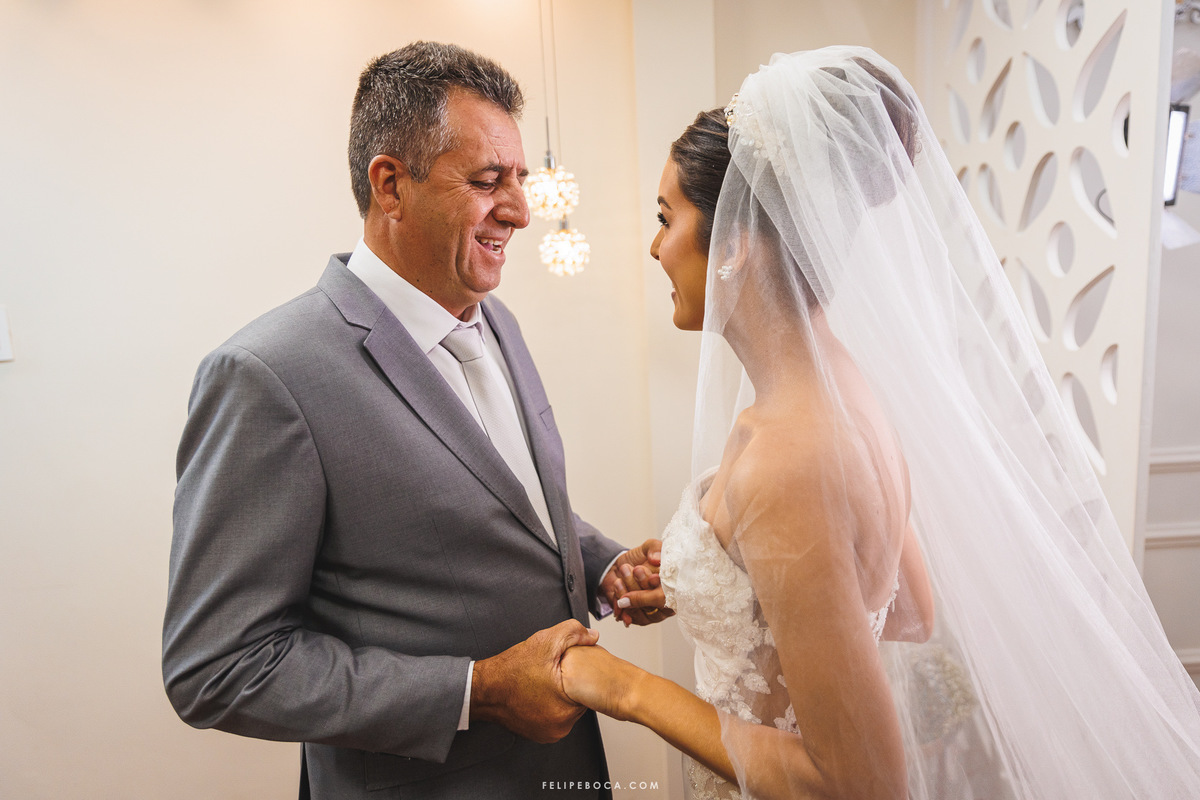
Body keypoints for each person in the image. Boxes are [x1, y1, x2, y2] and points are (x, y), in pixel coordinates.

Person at [562, 47, 1200, 799]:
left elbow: (857, 781)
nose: (654, 247)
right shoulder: (845, 389)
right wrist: (716, 579)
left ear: (732, 243)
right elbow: (908, 609)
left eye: (666, 219)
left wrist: (627, 690)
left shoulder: (786, 456)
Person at [162, 41, 665, 800]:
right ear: (391, 185)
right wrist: (476, 690)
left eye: (521, 180)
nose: (520, 212)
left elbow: (502, 506)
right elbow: (218, 667)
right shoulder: (268, 375)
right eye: (488, 181)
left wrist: (601, 563)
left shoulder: (496, 321)